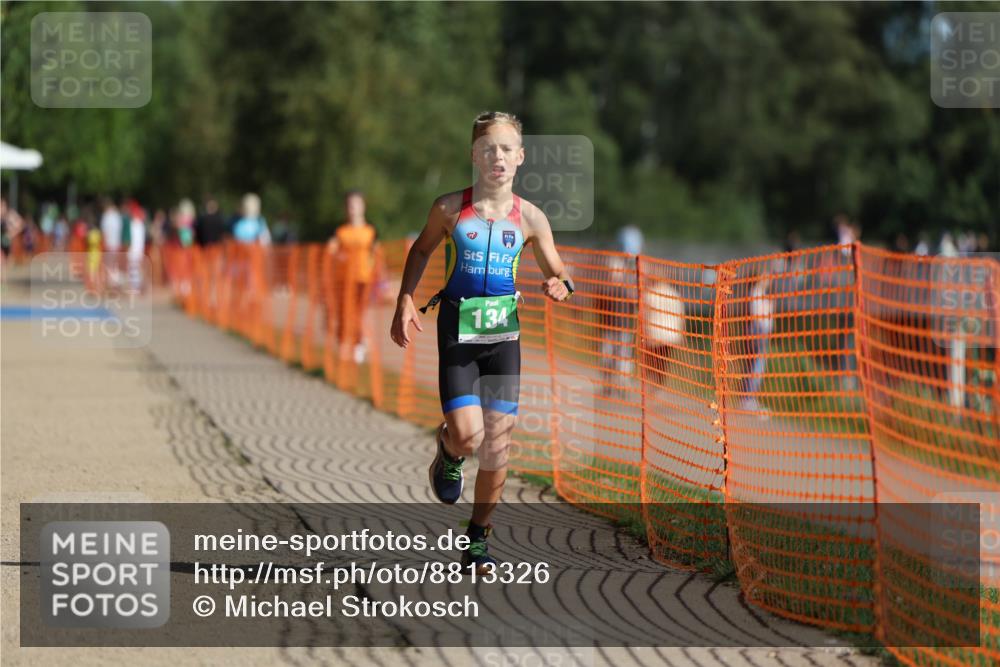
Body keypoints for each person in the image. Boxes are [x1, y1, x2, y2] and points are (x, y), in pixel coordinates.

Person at [390, 111, 574, 574]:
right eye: (489, 148)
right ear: (474, 155)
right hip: (459, 333)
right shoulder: (449, 209)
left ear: (521, 157)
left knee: (499, 444)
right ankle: (449, 450)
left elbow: (559, 270)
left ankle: (477, 540)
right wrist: (405, 299)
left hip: (504, 340)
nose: (498, 157)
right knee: (469, 436)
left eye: (507, 149)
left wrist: (562, 285)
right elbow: (421, 250)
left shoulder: (531, 218)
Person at [327, 190, 379, 364]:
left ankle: (358, 345)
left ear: (363, 206)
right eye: (350, 205)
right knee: (343, 313)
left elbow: (377, 255)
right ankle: (343, 345)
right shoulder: (340, 231)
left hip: (364, 279)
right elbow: (332, 252)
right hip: (343, 279)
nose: (353, 208)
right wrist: (336, 255)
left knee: (359, 313)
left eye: (356, 204)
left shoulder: (370, 231)